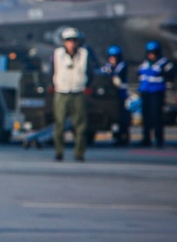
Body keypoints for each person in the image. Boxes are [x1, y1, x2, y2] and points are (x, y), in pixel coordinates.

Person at [51, 26, 92, 161]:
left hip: (78, 91)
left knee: (80, 125)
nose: (71, 43)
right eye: (68, 40)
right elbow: (50, 71)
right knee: (59, 124)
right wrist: (52, 85)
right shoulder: (57, 54)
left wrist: (88, 85)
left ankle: (79, 153)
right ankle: (59, 151)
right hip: (61, 92)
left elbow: (91, 71)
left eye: (74, 40)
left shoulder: (85, 54)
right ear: (63, 42)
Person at [137, 40, 174, 148]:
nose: (151, 55)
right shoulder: (144, 63)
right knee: (146, 117)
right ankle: (146, 138)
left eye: (153, 53)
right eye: (149, 53)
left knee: (157, 117)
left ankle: (159, 139)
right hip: (145, 92)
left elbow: (171, 74)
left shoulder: (163, 63)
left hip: (156, 93)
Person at [100, 45, 130, 145]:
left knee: (123, 118)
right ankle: (116, 135)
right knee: (114, 117)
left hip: (121, 96)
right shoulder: (107, 66)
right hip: (111, 97)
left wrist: (111, 74)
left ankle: (124, 136)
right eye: (111, 57)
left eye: (115, 57)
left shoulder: (122, 66)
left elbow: (117, 78)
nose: (113, 59)